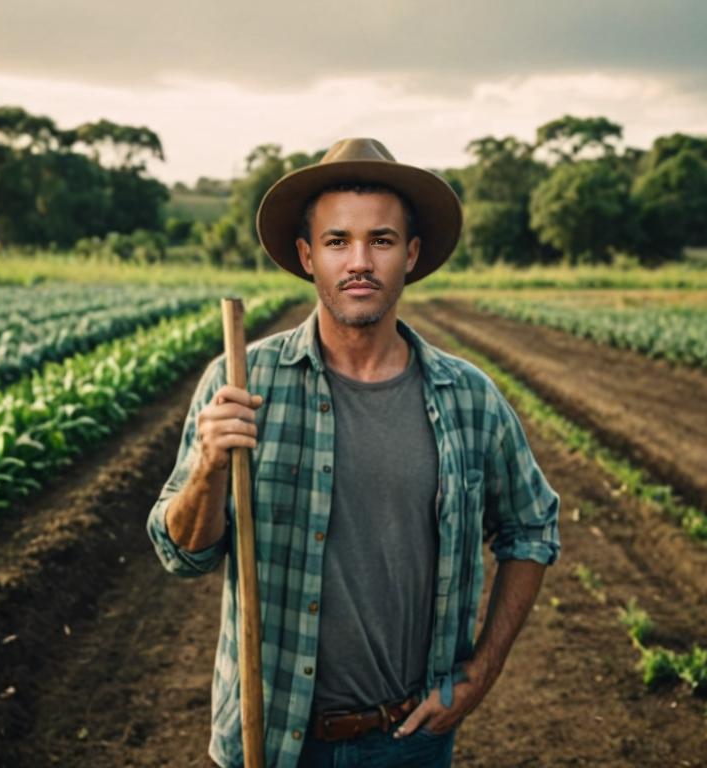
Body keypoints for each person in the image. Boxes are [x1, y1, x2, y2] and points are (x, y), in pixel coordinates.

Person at [147, 137, 561, 768]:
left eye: (382, 241)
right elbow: (182, 555)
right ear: (308, 255)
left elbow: (531, 526)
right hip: (272, 737)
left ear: (412, 255)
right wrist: (207, 468)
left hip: (410, 741)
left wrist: (481, 673)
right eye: (338, 242)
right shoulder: (242, 382)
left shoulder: (469, 398)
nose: (359, 261)